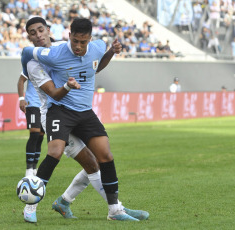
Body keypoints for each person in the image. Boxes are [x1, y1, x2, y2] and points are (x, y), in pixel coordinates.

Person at [22, 17, 149, 222]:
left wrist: (109, 53)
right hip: (55, 113)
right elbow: (54, 94)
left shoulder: (64, 48)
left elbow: (93, 66)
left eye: (40, 31)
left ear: (48, 30)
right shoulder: (37, 62)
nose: (38, 36)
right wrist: (67, 86)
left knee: (100, 159)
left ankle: (106, 208)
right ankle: (31, 205)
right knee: (57, 153)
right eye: (33, 33)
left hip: (83, 112)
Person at [17, 64, 45, 177]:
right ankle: (29, 168)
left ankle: (34, 167)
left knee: (41, 135)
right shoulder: (31, 65)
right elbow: (20, 81)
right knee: (34, 132)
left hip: (45, 105)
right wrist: (21, 98)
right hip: (32, 103)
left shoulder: (53, 63)